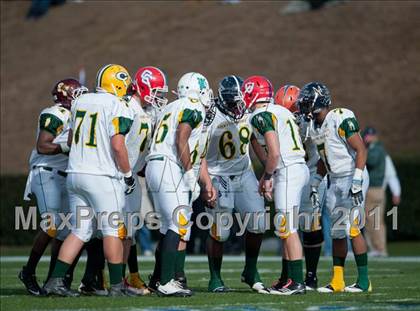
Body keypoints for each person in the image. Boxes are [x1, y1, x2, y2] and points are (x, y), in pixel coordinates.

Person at [44, 64, 135, 297]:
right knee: (112, 230)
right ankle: (116, 286)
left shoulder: (80, 101)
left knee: (80, 231)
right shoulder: (118, 105)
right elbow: (117, 145)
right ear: (118, 83)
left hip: (75, 174)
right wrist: (127, 174)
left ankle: (55, 281)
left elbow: (74, 137)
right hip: (102, 176)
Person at [297, 82, 371, 293]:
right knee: (337, 232)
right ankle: (337, 280)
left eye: (307, 100)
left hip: (353, 175)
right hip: (335, 179)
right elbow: (324, 158)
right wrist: (315, 182)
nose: (303, 105)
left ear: (319, 101)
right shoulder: (314, 127)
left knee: (353, 228)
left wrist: (357, 180)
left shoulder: (339, 116)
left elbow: (361, 150)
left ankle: (364, 281)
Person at [146, 72, 215, 297]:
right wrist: (187, 174)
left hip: (156, 164)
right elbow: (180, 139)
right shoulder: (193, 107)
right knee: (178, 222)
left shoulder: (170, 107)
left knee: (169, 227)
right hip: (169, 166)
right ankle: (167, 282)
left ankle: (158, 278)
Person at [19, 79, 87, 296]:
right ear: (66, 96)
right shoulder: (55, 113)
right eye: (77, 94)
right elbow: (43, 145)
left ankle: (53, 281)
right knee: (52, 225)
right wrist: (68, 145)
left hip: (64, 176)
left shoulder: (76, 115)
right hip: (46, 173)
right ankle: (28, 271)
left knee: (65, 231)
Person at [244, 76, 309, 295]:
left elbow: (274, 152)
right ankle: (288, 279)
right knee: (285, 227)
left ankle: (297, 282)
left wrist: (267, 176)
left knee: (288, 229)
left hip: (287, 169)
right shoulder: (280, 110)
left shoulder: (261, 115)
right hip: (296, 167)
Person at [203, 75, 268, 294]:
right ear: (222, 99)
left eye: (241, 100)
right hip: (218, 174)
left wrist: (268, 168)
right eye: (233, 101)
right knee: (220, 230)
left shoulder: (249, 113)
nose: (238, 105)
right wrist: (205, 181)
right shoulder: (210, 116)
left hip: (243, 172)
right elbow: (200, 151)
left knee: (258, 222)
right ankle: (215, 278)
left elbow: (253, 140)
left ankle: (250, 270)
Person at [121, 66, 168, 295]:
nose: (158, 97)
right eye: (156, 91)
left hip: (131, 175)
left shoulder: (145, 110)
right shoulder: (127, 108)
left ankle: (130, 276)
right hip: (119, 175)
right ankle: (99, 278)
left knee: (129, 231)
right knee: (111, 231)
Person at [274, 84, 327, 290]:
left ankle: (310, 276)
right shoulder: (287, 122)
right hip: (292, 173)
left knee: (309, 225)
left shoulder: (311, 124)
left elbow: (322, 152)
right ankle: (287, 276)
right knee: (287, 226)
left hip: (311, 173)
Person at [362, 126, 401, 257]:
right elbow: (391, 174)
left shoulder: (376, 150)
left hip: (373, 190)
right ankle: (378, 248)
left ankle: (378, 248)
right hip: (378, 190)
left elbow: (371, 161)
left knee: (372, 220)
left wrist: (362, 149)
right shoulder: (381, 150)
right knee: (375, 220)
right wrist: (396, 192)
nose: (368, 138)